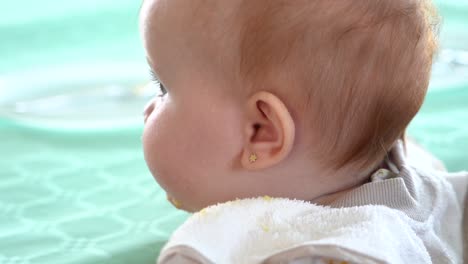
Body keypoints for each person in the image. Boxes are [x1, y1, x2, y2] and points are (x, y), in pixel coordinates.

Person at [139, 0, 466, 262]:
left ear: (261, 132)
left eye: (163, 87)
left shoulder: (316, 253)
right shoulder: (433, 197)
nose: (146, 110)